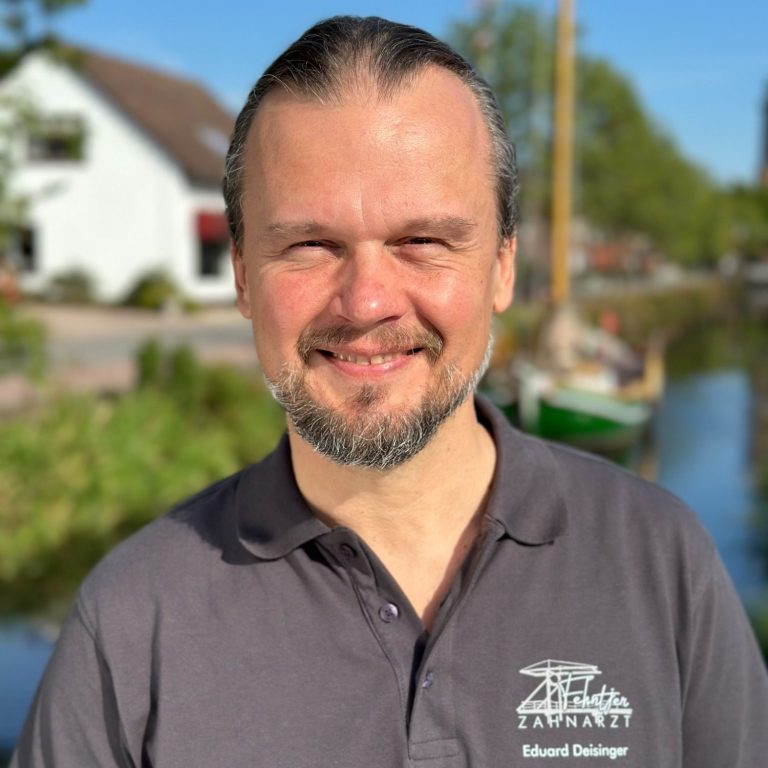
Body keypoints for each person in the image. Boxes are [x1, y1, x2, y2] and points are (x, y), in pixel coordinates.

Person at [12, 16, 768, 768]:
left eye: (423, 241)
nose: (367, 302)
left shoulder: (663, 565)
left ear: (504, 264)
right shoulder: (130, 622)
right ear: (243, 275)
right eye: (310, 244)